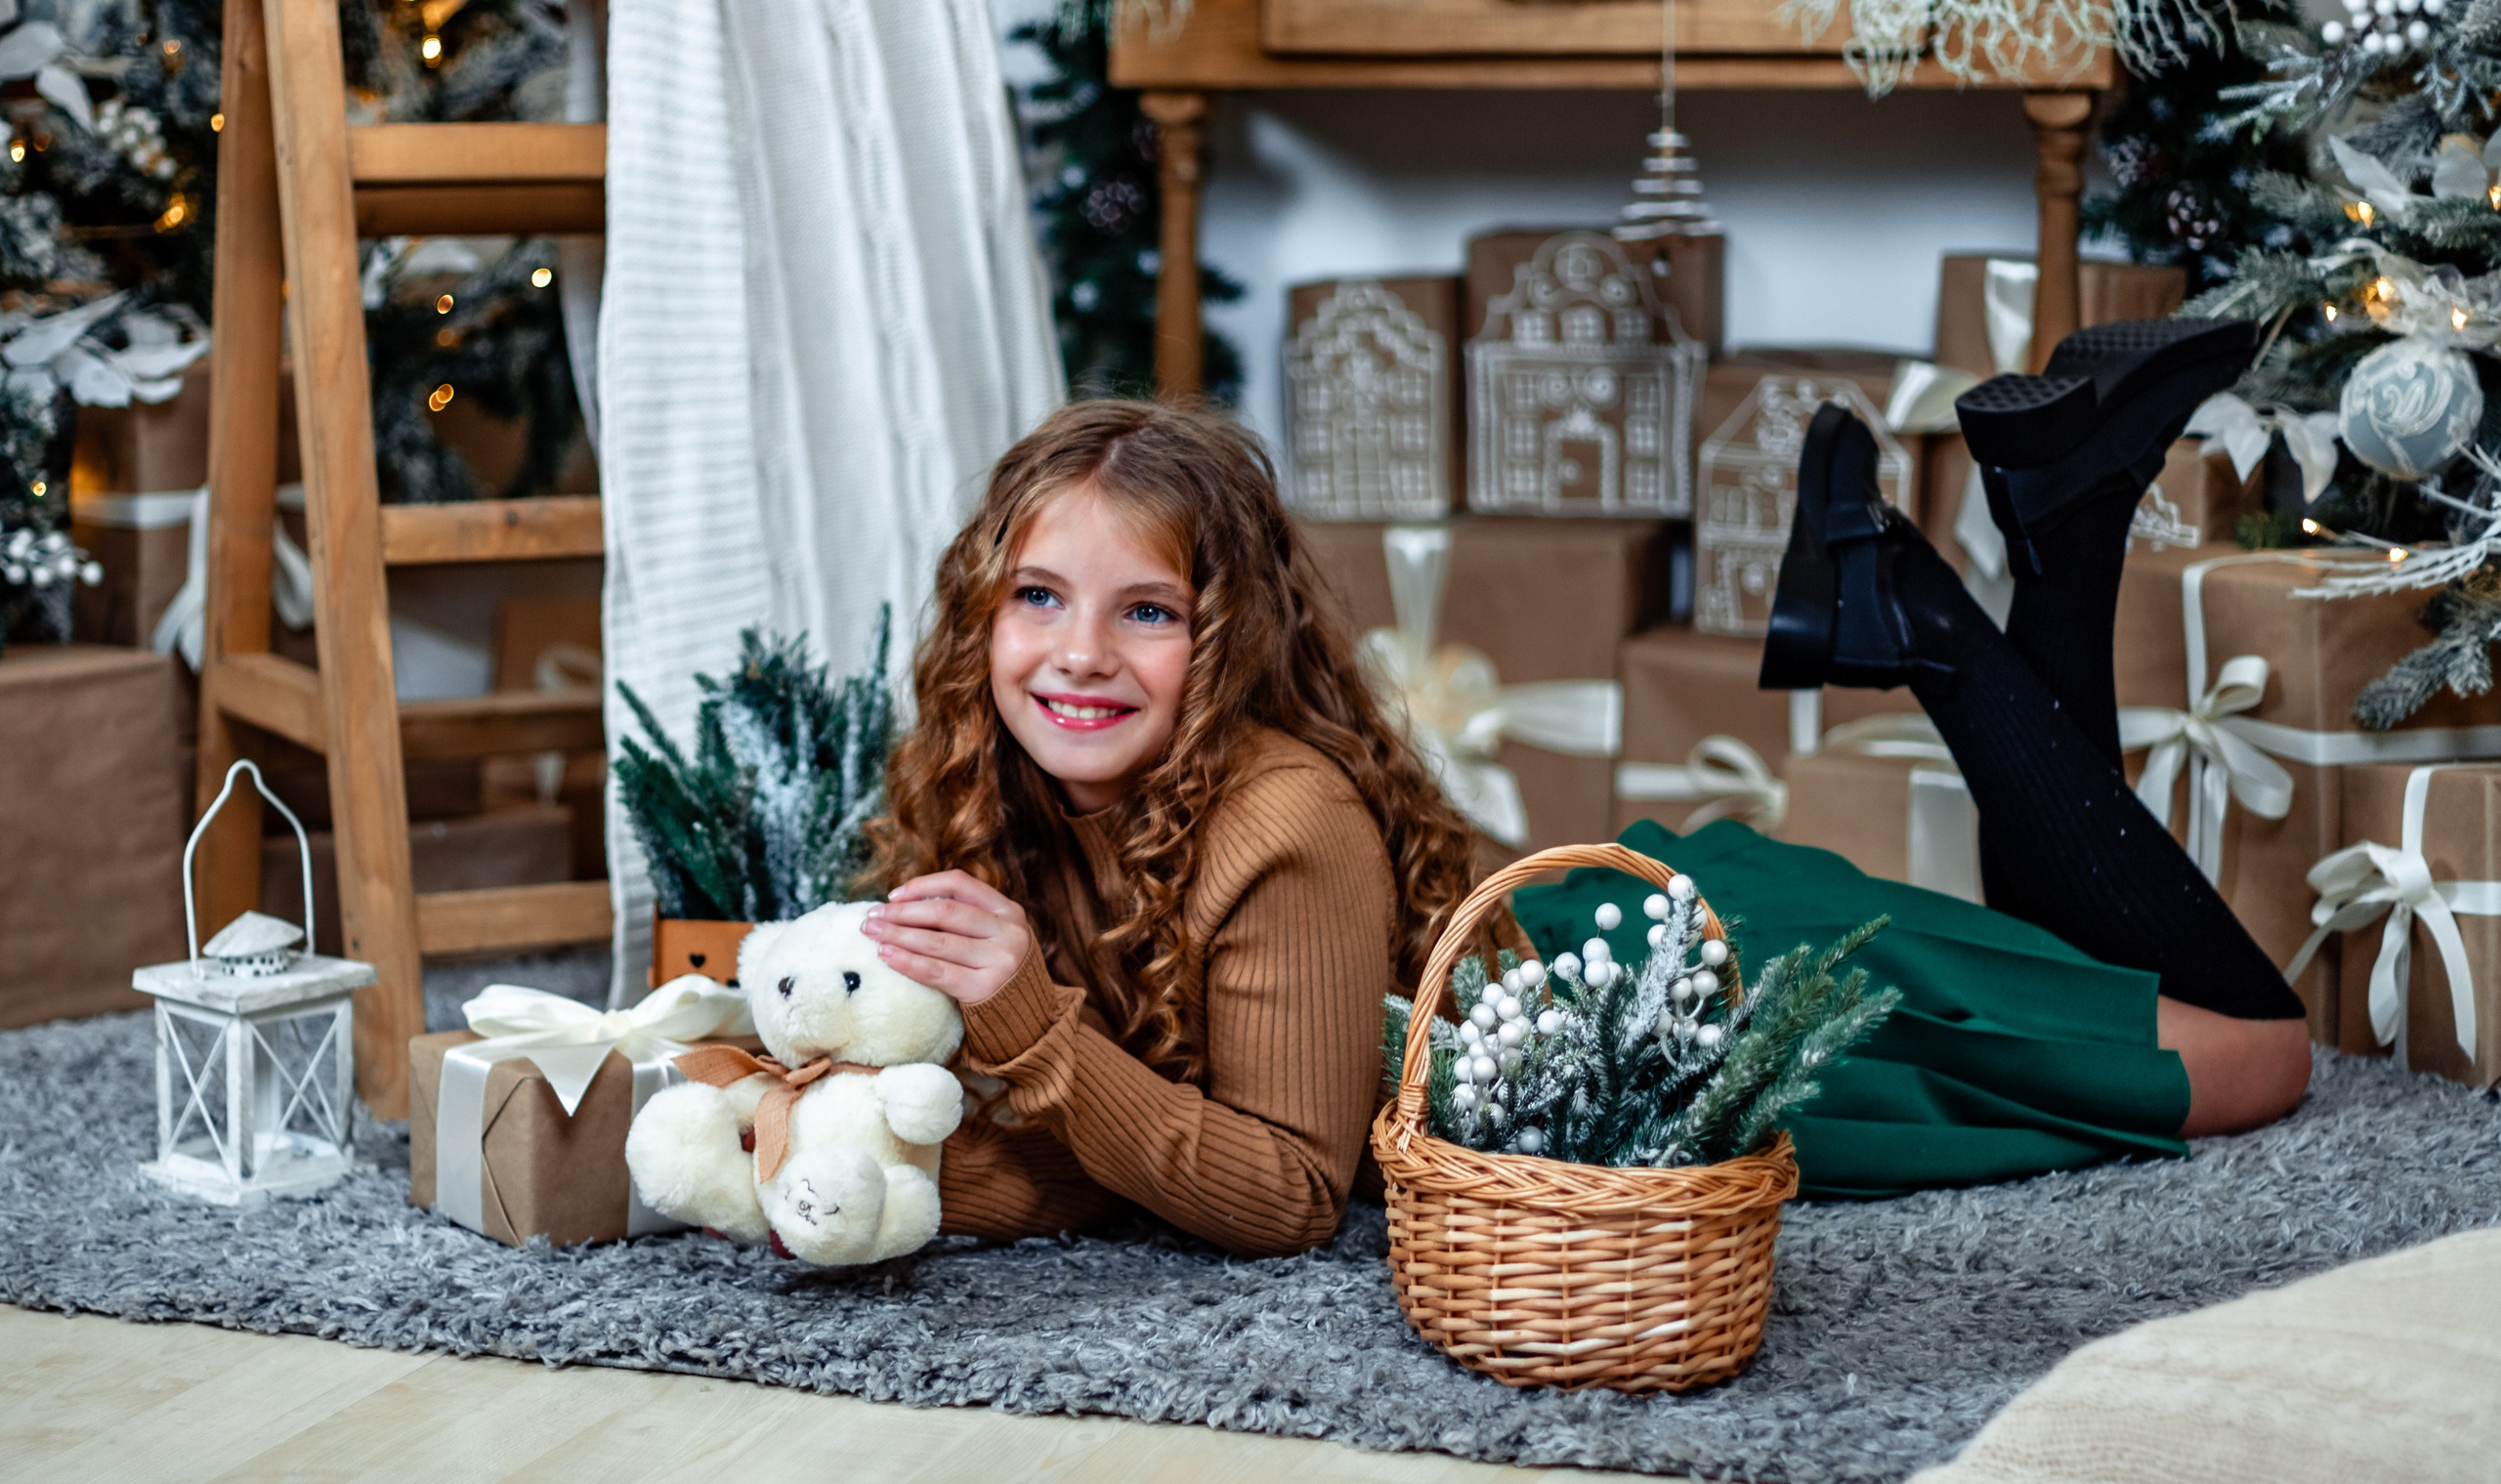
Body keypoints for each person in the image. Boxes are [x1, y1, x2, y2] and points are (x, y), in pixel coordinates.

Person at [1513, 316, 2313, 1197]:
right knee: (2182, 1022)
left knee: (2264, 1048)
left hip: (1673, 1001)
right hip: (1632, 935)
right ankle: (2048, 535)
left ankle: (1929, 600)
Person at [863, 400, 1480, 1256]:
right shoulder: (988, 777)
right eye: (1038, 595)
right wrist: (865, 1172)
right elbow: (1116, 1144)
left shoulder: (1291, 824)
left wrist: (1035, 1027)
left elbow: (1291, 1194)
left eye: (1147, 611)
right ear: (981, 619)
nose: (1081, 654)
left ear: (1230, 640)